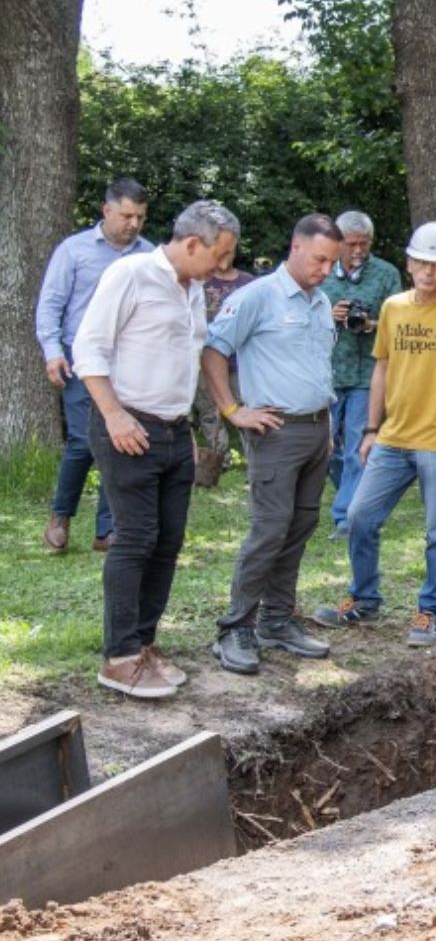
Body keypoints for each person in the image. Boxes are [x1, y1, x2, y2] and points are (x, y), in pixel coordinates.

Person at [76, 200, 241, 699]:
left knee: (168, 540)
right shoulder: (131, 274)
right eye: (220, 255)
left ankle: (144, 644)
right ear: (193, 244)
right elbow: (89, 348)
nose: (222, 266)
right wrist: (114, 413)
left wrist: (184, 426)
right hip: (127, 426)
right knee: (136, 537)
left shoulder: (191, 288)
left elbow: (181, 360)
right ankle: (119, 657)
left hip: (171, 431)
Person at [312, 222, 436, 647]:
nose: (429, 272)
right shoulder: (393, 307)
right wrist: (371, 428)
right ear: (409, 263)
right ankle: (364, 598)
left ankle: (430, 611)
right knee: (358, 517)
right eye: (422, 263)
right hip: (392, 438)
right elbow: (382, 369)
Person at [202, 214, 344, 676]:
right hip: (274, 433)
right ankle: (235, 628)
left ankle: (276, 621)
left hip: (317, 430)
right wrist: (231, 410)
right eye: (320, 259)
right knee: (269, 529)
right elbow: (213, 351)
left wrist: (327, 423)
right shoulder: (256, 297)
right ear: (296, 247)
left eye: (332, 262)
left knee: (300, 527)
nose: (326, 269)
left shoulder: (321, 302)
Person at [35, 178, 152, 553]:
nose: (133, 224)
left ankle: (107, 530)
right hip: (80, 359)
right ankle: (60, 515)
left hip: (128, 360)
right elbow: (51, 304)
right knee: (84, 441)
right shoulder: (74, 250)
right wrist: (53, 351)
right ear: (107, 210)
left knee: (121, 441)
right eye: (127, 215)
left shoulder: (148, 255)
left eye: (140, 217)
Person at [321, 211, 402, 537]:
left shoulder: (386, 274)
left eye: (364, 244)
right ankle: (352, 494)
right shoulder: (321, 272)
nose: (358, 251)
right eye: (352, 244)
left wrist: (372, 325)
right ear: (339, 243)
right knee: (324, 448)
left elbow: (401, 322)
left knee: (357, 446)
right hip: (326, 373)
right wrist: (328, 314)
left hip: (368, 373)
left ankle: (345, 517)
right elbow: (298, 315)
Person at [192, 250, 257, 488]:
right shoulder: (200, 280)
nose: (223, 256)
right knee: (210, 413)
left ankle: (255, 461)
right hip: (205, 359)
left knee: (245, 409)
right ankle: (218, 461)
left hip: (240, 362)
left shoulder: (248, 282)